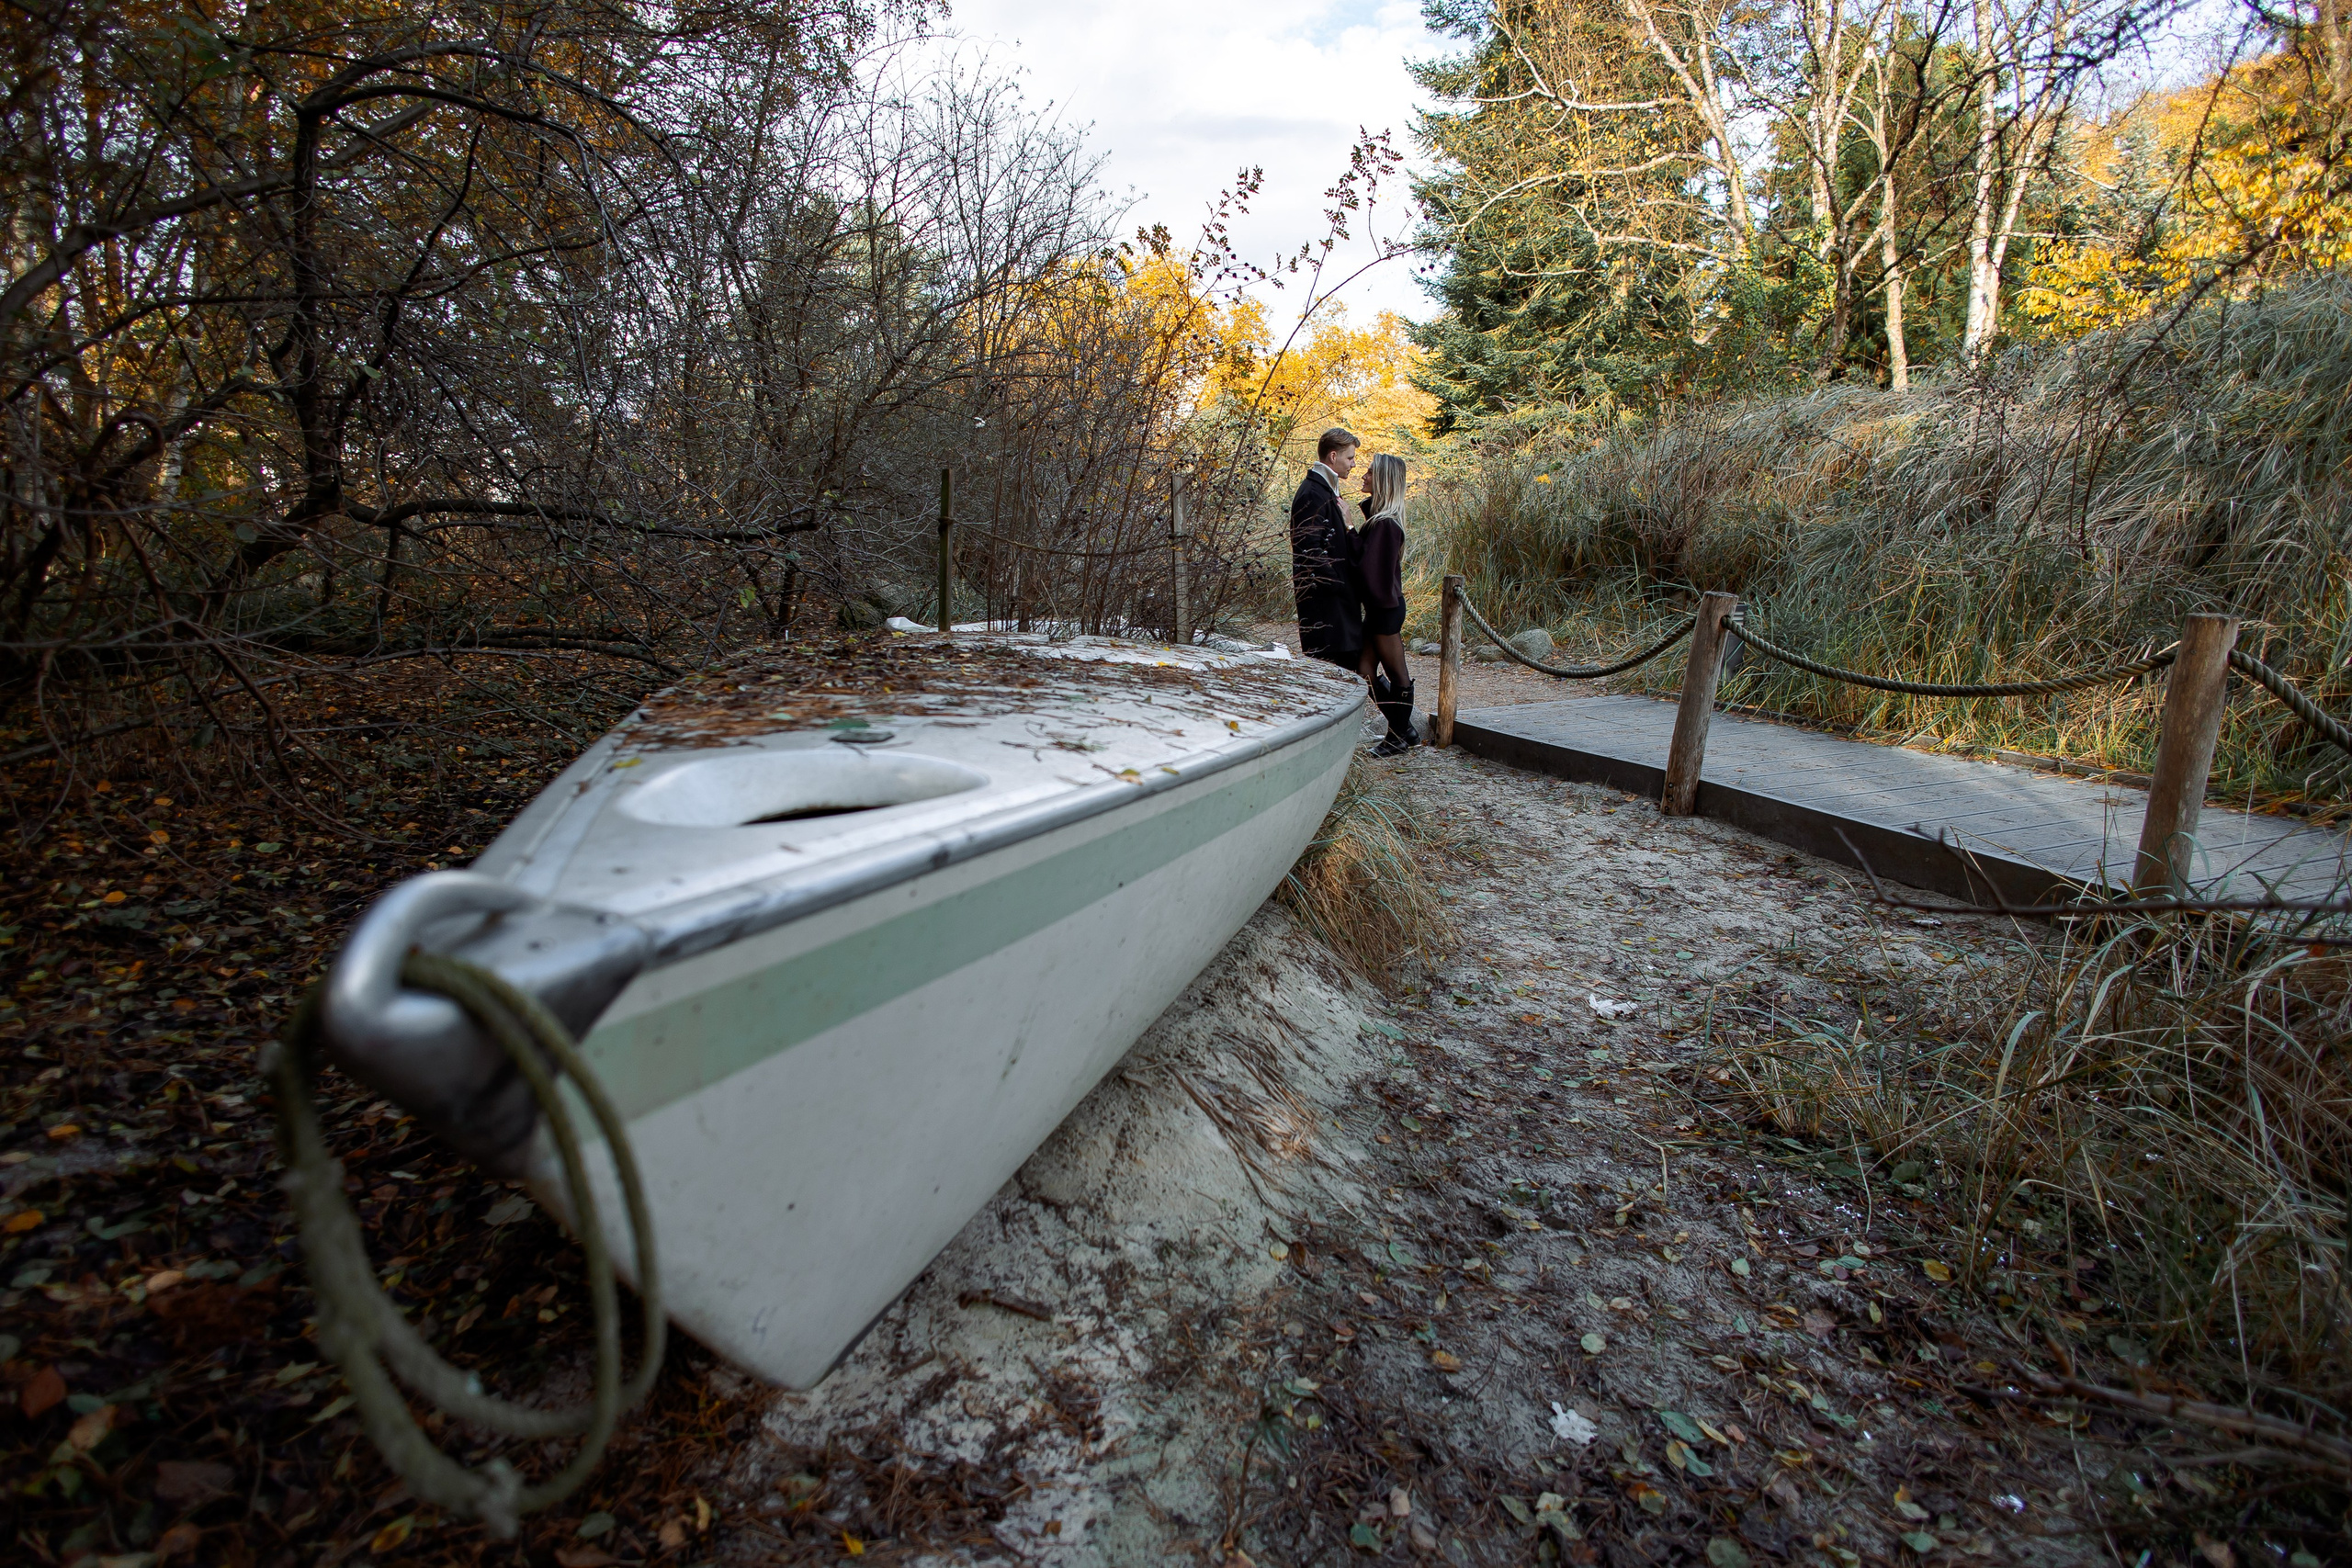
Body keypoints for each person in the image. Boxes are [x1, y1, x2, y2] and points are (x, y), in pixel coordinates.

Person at [1353, 453, 1417, 755]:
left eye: (1368, 472)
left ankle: (1397, 739)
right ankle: (1405, 729)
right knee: (1364, 669)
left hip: (1385, 609)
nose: (1363, 476)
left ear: (1383, 480)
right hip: (1382, 608)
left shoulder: (1386, 525)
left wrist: (1350, 530)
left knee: (1397, 674)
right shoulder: (1380, 521)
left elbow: (1368, 570)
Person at [1289, 428, 1364, 671]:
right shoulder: (1312, 492)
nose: (1353, 464)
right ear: (1333, 456)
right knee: (1333, 673)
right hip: (1326, 606)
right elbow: (1308, 550)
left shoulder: (1324, 489)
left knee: (1347, 669)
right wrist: (1339, 585)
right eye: (1350, 458)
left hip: (1334, 604)